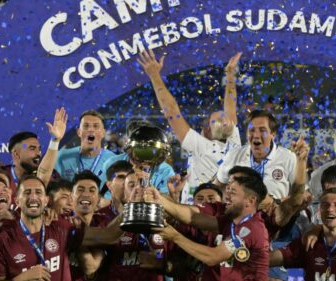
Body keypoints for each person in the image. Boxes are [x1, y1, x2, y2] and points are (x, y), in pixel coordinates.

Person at [137, 49, 242, 204]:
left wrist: (231, 76)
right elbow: (172, 111)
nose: (225, 119)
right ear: (206, 131)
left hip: (212, 213)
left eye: (225, 119)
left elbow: (231, 108)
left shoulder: (222, 144)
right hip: (203, 212)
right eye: (218, 120)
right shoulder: (214, 145)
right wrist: (154, 75)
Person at [214, 109, 298, 202]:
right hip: (241, 215)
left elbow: (301, 194)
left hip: (275, 214)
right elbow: (217, 188)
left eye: (262, 130)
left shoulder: (288, 158)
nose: (256, 135)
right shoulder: (233, 156)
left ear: (272, 134)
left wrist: (276, 203)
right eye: (252, 130)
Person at [54, 110, 118, 186]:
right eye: (86, 126)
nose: (90, 129)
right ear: (79, 132)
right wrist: (54, 139)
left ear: (103, 133)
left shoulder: (114, 160)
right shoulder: (63, 156)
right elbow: (42, 175)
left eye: (96, 126)